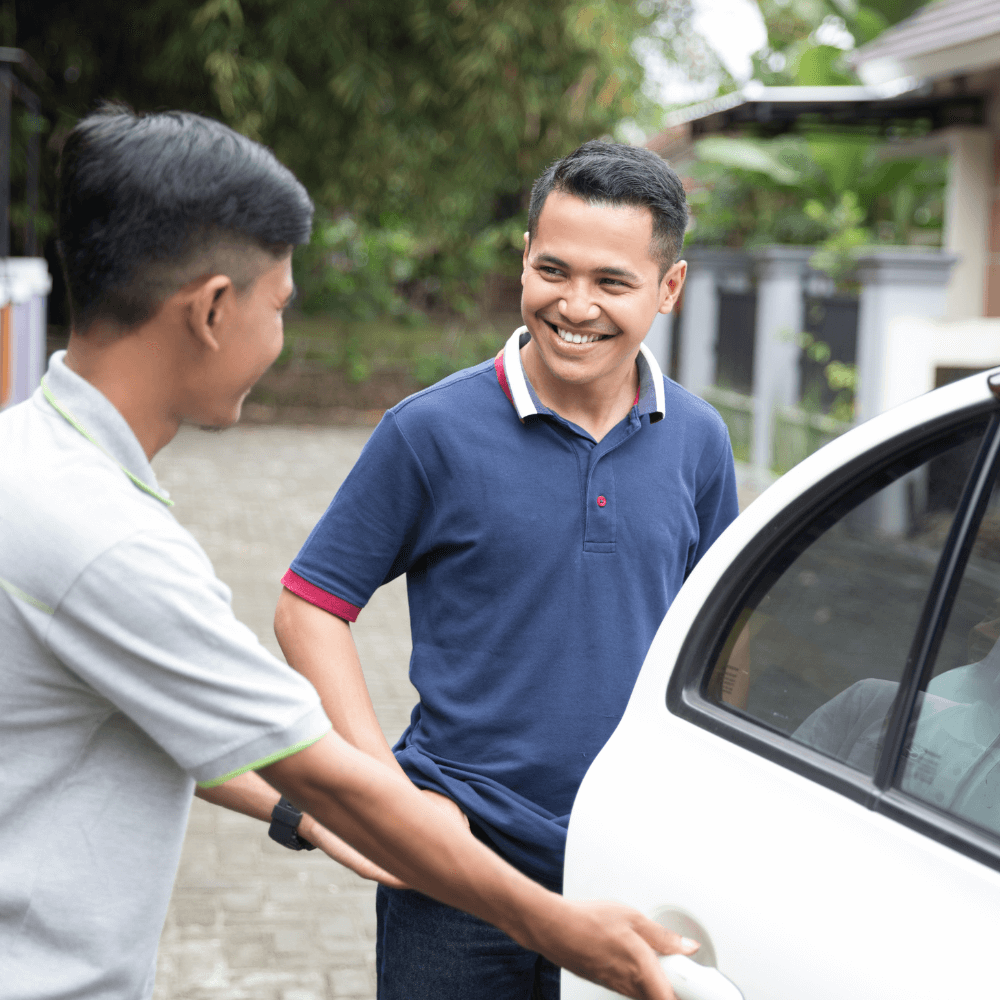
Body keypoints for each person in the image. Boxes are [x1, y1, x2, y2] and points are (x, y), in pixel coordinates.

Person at [0, 107, 700, 1000]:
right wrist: (558, 926)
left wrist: (310, 816)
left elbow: (193, 727)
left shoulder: (31, 464)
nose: (283, 337)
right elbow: (312, 753)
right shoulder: (108, 543)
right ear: (215, 310)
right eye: (282, 305)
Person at [276, 140, 740, 998]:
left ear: (667, 289)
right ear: (523, 257)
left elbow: (722, 635)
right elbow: (309, 606)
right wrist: (390, 798)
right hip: (455, 868)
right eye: (553, 269)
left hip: (629, 863)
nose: (575, 305)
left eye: (612, 282)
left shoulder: (700, 441)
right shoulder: (431, 431)